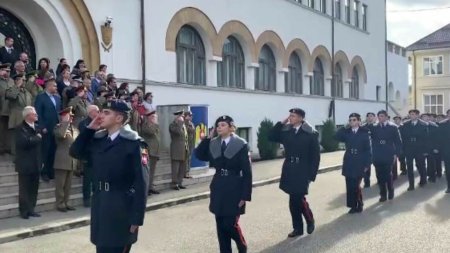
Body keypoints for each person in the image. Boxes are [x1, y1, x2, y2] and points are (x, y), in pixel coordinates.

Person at [70, 100, 149, 253]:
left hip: (122, 208)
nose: (100, 116)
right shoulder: (99, 140)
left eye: (106, 113)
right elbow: (75, 152)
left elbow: (142, 182)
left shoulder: (134, 144)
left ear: (119, 118)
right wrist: (89, 129)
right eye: (101, 111)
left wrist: (136, 218)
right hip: (101, 204)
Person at [196, 115, 252, 253]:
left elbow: (247, 172)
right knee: (220, 224)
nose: (219, 127)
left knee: (229, 224)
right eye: (218, 125)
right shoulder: (214, 143)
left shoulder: (241, 144)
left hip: (235, 187)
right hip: (219, 185)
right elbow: (199, 155)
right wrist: (208, 138)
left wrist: (245, 195)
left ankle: (241, 244)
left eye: (223, 125)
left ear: (231, 127)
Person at [268, 108, 320, 238]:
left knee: (296, 198)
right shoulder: (287, 131)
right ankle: (298, 228)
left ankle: (309, 220)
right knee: (294, 200)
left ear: (301, 118)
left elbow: (315, 156)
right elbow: (271, 136)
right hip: (290, 169)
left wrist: (311, 175)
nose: (290, 118)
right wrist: (281, 122)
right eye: (290, 115)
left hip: (303, 169)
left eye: (293, 116)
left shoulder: (310, 133)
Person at [335, 113, 372, 214]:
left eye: (354, 120)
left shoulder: (365, 132)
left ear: (359, 121)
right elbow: (336, 137)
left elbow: (368, 150)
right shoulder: (346, 132)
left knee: (356, 185)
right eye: (350, 120)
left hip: (360, 161)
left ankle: (359, 203)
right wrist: (343, 127)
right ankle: (352, 205)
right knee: (349, 185)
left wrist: (367, 164)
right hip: (349, 160)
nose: (352, 122)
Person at [368, 110, 402, 202]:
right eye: (379, 116)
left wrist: (396, 154)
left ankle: (390, 190)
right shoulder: (374, 127)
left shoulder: (393, 127)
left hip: (389, 154)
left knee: (387, 174)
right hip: (377, 155)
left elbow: (398, 142)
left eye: (382, 116)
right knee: (379, 176)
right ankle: (383, 194)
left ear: (386, 117)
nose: (380, 118)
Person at [15, 106, 42, 219]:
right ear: (27, 116)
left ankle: (31, 209)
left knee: (34, 188)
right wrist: (37, 138)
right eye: (34, 114)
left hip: (36, 163)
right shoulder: (20, 128)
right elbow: (24, 143)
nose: (36, 115)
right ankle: (24, 211)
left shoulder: (37, 127)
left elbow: (40, 147)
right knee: (24, 189)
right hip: (25, 164)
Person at [34, 75, 61, 182]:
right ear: (48, 86)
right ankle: (43, 172)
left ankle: (51, 171)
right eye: (54, 86)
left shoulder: (57, 98)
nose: (56, 88)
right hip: (46, 129)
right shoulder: (41, 97)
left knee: (53, 151)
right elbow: (38, 113)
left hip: (56, 129)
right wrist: (42, 127)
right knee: (45, 151)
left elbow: (59, 112)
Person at [54, 107, 78, 212]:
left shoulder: (75, 129)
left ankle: (66, 202)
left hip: (72, 160)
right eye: (68, 116)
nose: (71, 118)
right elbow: (60, 135)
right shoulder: (58, 127)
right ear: (63, 117)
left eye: (71, 116)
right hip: (62, 160)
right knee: (60, 185)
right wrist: (65, 123)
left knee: (68, 185)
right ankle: (60, 204)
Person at [400, 109, 428, 191]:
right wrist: (403, 149)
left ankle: (423, 180)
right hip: (409, 148)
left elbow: (426, 139)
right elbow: (402, 137)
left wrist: (425, 150)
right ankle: (411, 184)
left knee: (420, 165)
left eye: (413, 114)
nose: (411, 116)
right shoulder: (405, 124)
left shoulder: (423, 124)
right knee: (409, 167)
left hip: (419, 149)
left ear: (417, 115)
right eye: (410, 114)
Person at [78, 105, 100, 207]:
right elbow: (86, 136)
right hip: (88, 154)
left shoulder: (100, 122)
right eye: (97, 111)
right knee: (87, 179)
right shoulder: (84, 123)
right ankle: (86, 199)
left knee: (97, 178)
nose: (99, 112)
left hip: (98, 154)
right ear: (91, 112)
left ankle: (96, 197)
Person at [6, 74, 33, 155]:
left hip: (26, 119)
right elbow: (12, 96)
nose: (24, 82)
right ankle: (15, 156)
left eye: (25, 80)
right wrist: (17, 86)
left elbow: (31, 104)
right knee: (15, 139)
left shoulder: (27, 92)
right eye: (22, 80)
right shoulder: (10, 90)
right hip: (16, 118)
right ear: (17, 81)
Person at [139, 110, 161, 195]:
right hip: (146, 151)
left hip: (154, 152)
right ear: (150, 117)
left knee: (152, 171)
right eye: (154, 117)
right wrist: (155, 124)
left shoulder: (154, 125)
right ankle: (146, 188)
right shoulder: (145, 125)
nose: (156, 119)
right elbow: (151, 132)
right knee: (146, 171)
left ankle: (150, 187)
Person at [169, 110, 189, 190]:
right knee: (175, 168)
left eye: (183, 116)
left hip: (184, 149)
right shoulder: (172, 125)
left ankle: (180, 182)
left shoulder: (183, 125)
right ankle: (174, 184)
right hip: (176, 149)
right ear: (177, 117)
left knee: (182, 168)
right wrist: (180, 123)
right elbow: (177, 132)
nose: (182, 118)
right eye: (181, 116)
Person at [0, 63, 12, 154]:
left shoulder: (11, 81)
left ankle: (8, 147)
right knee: (1, 129)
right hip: (1, 108)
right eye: (6, 71)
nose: (7, 73)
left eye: (9, 71)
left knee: (9, 129)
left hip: (10, 108)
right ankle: (1, 147)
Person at [362, 112, 376, 188]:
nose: (370, 118)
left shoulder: (377, 126)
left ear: (374, 118)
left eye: (371, 116)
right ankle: (367, 182)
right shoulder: (363, 127)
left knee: (378, 166)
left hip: (376, 149)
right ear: (367, 118)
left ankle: (380, 180)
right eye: (369, 116)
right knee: (367, 166)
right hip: (367, 150)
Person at [438, 109, 450, 194]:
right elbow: (439, 139)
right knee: (448, 170)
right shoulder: (442, 125)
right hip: (447, 151)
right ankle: (449, 187)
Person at [184, 111, 196, 178]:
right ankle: (185, 173)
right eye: (190, 116)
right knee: (186, 159)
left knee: (189, 158)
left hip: (191, 144)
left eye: (191, 116)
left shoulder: (192, 124)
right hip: (186, 144)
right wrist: (186, 120)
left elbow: (194, 134)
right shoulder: (185, 124)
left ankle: (188, 172)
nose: (191, 117)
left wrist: (194, 144)